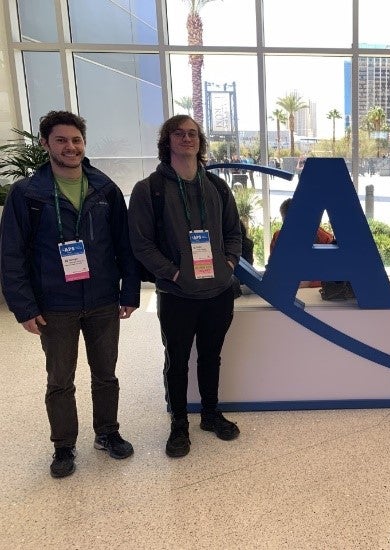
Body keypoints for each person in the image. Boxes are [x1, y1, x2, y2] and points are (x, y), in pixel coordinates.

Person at [0, 110, 139, 478]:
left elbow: (124, 246)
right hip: (54, 304)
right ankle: (63, 446)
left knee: (105, 374)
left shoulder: (104, 189)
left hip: (102, 299)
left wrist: (131, 291)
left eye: (76, 140)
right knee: (60, 379)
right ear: (46, 144)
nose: (70, 147)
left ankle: (107, 433)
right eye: (61, 140)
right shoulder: (28, 194)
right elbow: (11, 254)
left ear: (84, 144)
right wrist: (24, 307)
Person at [128, 115, 242, 458]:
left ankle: (209, 414)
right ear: (168, 141)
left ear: (200, 141)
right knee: (176, 361)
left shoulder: (218, 187)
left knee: (211, 357)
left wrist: (229, 264)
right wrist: (174, 274)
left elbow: (235, 232)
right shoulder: (150, 189)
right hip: (177, 295)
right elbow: (141, 243)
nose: (187, 138)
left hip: (218, 292)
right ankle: (179, 424)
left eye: (192, 133)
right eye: (179, 133)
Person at [270, 197, 334, 288]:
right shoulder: (278, 237)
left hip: (316, 291)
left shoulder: (324, 238)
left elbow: (335, 273)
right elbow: (275, 269)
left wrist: (309, 283)